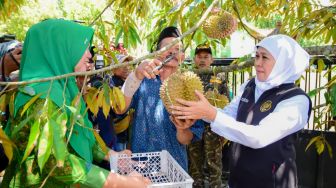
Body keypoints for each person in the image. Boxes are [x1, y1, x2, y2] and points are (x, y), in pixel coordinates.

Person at [1, 19, 150, 188]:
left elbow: (82, 135)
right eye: (83, 47)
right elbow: (57, 163)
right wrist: (120, 182)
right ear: (59, 49)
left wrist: (111, 155)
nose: (89, 55)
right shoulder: (39, 98)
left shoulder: (66, 90)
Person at [171, 34, 312, 188]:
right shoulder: (250, 86)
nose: (257, 63)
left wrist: (210, 113)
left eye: (264, 58)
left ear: (283, 63)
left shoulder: (296, 101)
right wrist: (199, 111)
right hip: (239, 178)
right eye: (256, 56)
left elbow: (259, 136)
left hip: (272, 182)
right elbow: (228, 114)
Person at [120, 26, 204, 171]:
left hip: (174, 168)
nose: (172, 51)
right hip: (140, 166)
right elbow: (120, 108)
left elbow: (187, 139)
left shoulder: (191, 86)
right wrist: (135, 75)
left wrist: (181, 129)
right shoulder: (143, 80)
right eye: (167, 47)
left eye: (177, 48)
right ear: (157, 53)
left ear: (183, 56)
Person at [187, 43, 229, 188]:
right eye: (199, 57)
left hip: (213, 127)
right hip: (194, 125)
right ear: (194, 59)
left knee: (214, 162)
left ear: (212, 59)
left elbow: (226, 100)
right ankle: (196, 185)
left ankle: (215, 185)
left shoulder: (219, 76)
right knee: (194, 162)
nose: (203, 60)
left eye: (206, 57)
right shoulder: (189, 76)